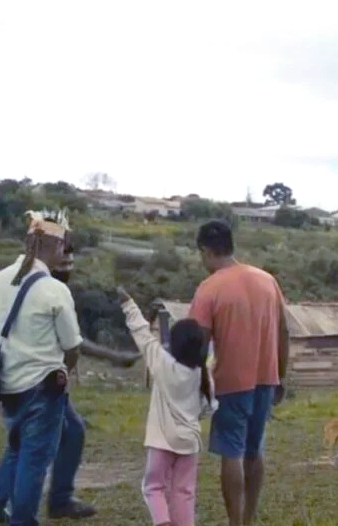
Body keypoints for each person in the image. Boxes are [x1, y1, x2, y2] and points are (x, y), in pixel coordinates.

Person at [0, 210, 94, 526]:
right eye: (63, 247)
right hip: (43, 386)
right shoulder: (54, 290)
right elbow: (72, 347)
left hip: (8, 382)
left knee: (19, 448)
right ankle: (24, 519)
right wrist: (66, 368)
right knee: (34, 460)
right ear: (54, 246)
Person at [188, 220, 289, 526]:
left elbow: (198, 343)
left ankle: (235, 522)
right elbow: (284, 332)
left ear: (206, 251)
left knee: (232, 452)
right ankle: (250, 517)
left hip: (231, 383)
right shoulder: (267, 281)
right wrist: (280, 377)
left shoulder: (209, 288)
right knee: (254, 450)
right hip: (266, 379)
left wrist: (198, 385)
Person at [118, 287, 216, 526]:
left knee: (153, 487)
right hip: (189, 442)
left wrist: (129, 304)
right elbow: (209, 407)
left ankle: (162, 522)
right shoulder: (202, 375)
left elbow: (142, 334)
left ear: (173, 343)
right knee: (184, 492)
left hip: (161, 441)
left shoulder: (162, 364)